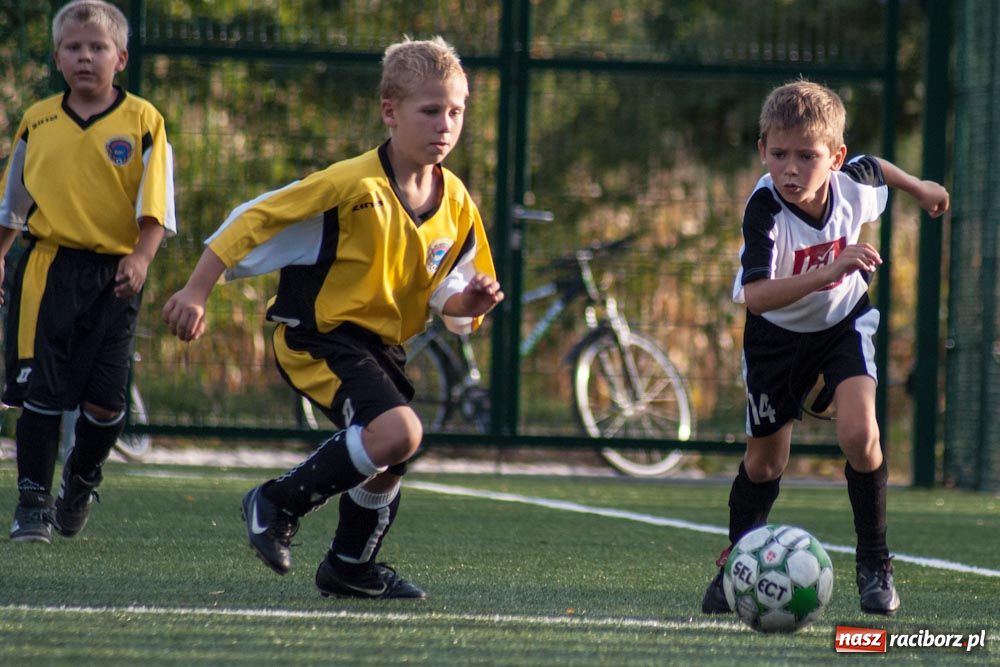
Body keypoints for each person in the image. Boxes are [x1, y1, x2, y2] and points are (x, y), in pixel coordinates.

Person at [162, 36, 502, 599]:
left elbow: (447, 293)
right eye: (430, 110)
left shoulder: (457, 201)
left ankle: (348, 567)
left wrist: (472, 302)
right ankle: (276, 501)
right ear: (390, 112)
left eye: (456, 112)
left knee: (392, 456)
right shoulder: (352, 184)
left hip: (381, 348)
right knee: (399, 432)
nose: (445, 125)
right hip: (317, 337)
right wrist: (197, 290)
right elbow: (254, 218)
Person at [700, 80, 949, 616]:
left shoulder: (851, 185)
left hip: (842, 324)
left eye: (807, 156)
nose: (790, 169)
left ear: (834, 158)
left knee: (861, 434)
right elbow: (758, 297)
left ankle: (874, 564)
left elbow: (876, 167)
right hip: (775, 340)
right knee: (765, 463)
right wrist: (830, 269)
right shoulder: (764, 208)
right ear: (762, 150)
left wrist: (922, 187)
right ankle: (738, 564)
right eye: (778, 154)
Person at [0, 0, 176, 543]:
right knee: (40, 392)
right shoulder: (38, 120)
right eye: (73, 47)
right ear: (57, 58)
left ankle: (80, 479)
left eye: (97, 47)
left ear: (120, 58)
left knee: (106, 403)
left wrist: (141, 258)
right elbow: (12, 205)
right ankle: (32, 502)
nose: (85, 57)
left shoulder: (143, 121)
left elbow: (158, 208)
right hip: (47, 269)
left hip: (115, 276)